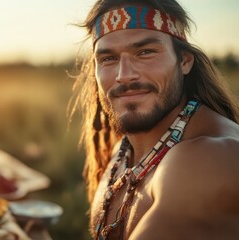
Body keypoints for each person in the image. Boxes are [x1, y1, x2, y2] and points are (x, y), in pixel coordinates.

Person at [69, 0, 239, 239]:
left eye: (145, 52)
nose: (124, 75)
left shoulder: (209, 160)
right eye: (108, 58)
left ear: (184, 61)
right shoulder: (124, 150)